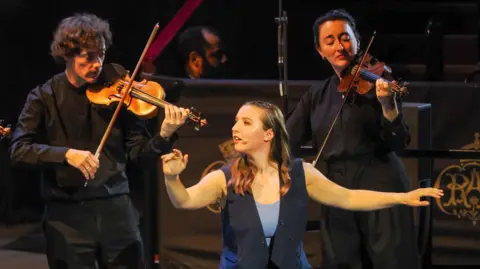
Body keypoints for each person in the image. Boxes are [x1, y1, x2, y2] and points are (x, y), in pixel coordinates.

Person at [161, 100, 443, 269]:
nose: (235, 128)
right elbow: (183, 200)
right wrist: (172, 177)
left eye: (246, 122)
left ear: (269, 133)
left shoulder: (300, 174)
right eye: (236, 121)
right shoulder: (225, 177)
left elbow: (349, 198)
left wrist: (402, 197)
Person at [8, 13, 189, 269]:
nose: (97, 64)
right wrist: (66, 154)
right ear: (67, 54)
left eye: (101, 55)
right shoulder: (43, 96)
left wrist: (164, 135)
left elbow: (139, 155)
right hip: (66, 216)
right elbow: (19, 150)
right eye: (88, 57)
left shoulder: (120, 90)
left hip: (117, 210)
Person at [286, 9, 420, 269]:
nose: (339, 46)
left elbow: (398, 142)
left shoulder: (380, 83)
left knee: (392, 261)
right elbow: (287, 137)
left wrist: (388, 106)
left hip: (380, 181)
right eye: (330, 41)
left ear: (357, 41)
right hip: (335, 188)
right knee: (339, 262)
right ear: (319, 50)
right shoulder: (317, 95)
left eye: (345, 38)